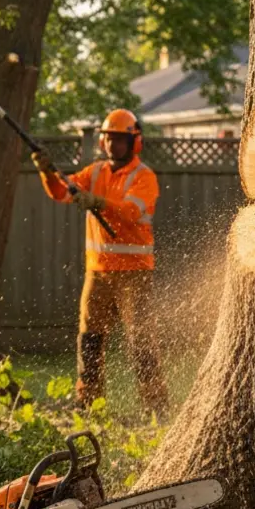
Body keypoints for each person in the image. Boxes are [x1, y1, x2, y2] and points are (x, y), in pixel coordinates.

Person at [32, 109, 167, 416]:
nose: (112, 145)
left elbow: (132, 211)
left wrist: (98, 202)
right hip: (99, 271)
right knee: (90, 337)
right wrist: (47, 171)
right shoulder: (94, 173)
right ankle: (88, 403)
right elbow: (61, 192)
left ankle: (156, 406)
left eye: (119, 139)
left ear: (134, 142)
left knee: (140, 341)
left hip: (134, 274)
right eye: (108, 138)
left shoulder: (143, 177)